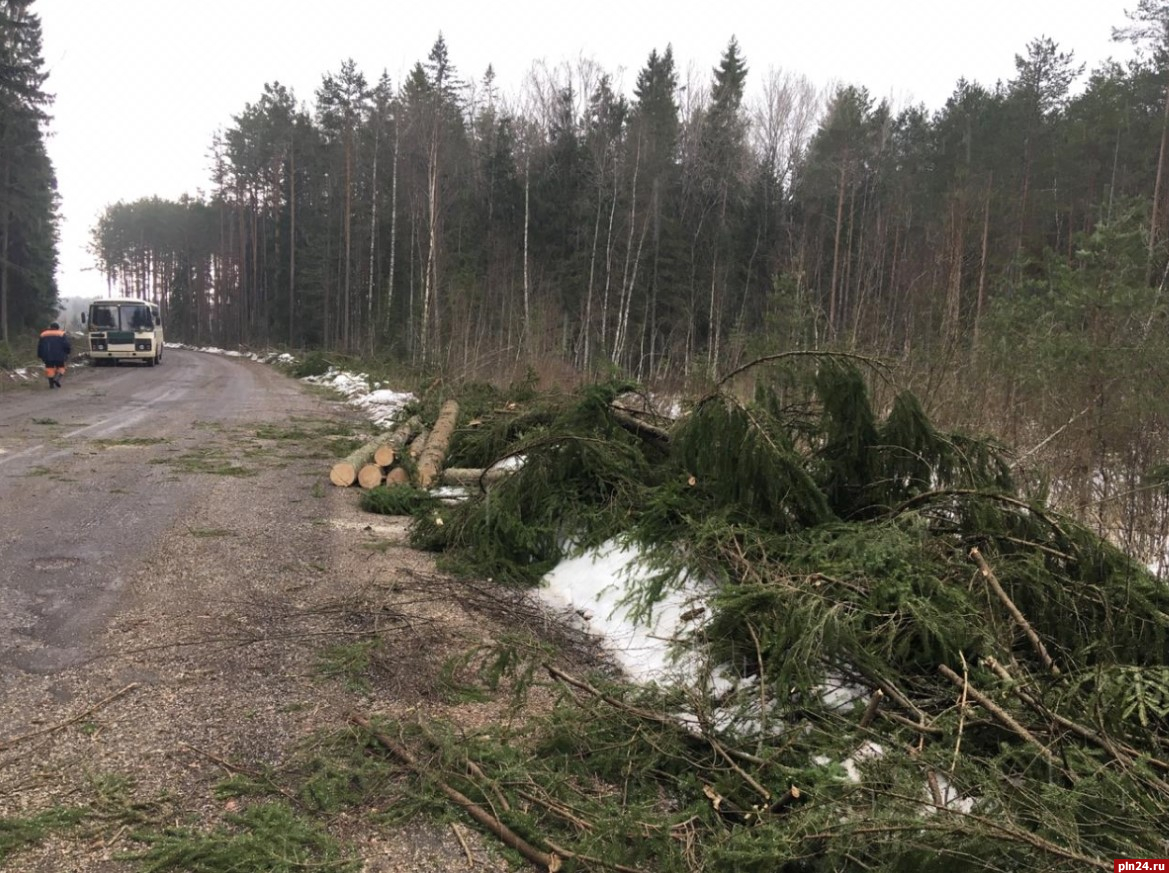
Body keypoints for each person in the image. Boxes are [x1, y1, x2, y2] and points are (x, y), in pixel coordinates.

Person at [37, 322, 72, 389]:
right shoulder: (61, 334)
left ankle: (51, 385)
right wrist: (67, 352)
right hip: (59, 355)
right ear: (58, 328)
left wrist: (40, 355)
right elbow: (66, 345)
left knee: (50, 369)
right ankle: (57, 379)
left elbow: (40, 346)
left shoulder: (43, 334)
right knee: (61, 368)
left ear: (50, 327)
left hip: (47, 355)